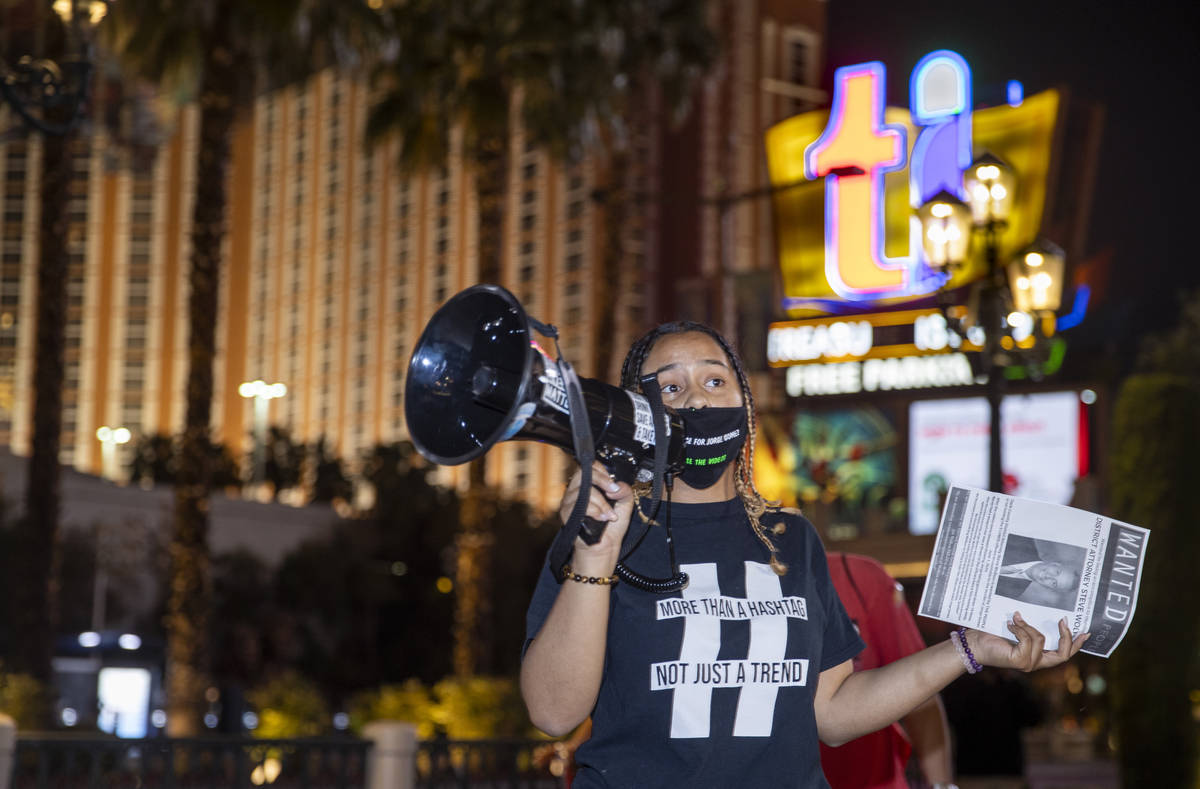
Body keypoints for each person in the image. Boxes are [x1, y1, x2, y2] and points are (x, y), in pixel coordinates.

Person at [520, 321, 1089, 789]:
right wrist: (594, 558)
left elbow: (834, 713)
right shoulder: (606, 529)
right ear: (639, 412)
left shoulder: (790, 538)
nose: (695, 397)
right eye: (669, 388)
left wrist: (971, 649)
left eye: (714, 380)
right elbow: (553, 713)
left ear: (744, 403)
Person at [820, 552, 955, 789]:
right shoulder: (740, 585)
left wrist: (941, 785)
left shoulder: (858, 577)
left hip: (875, 780)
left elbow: (920, 695)